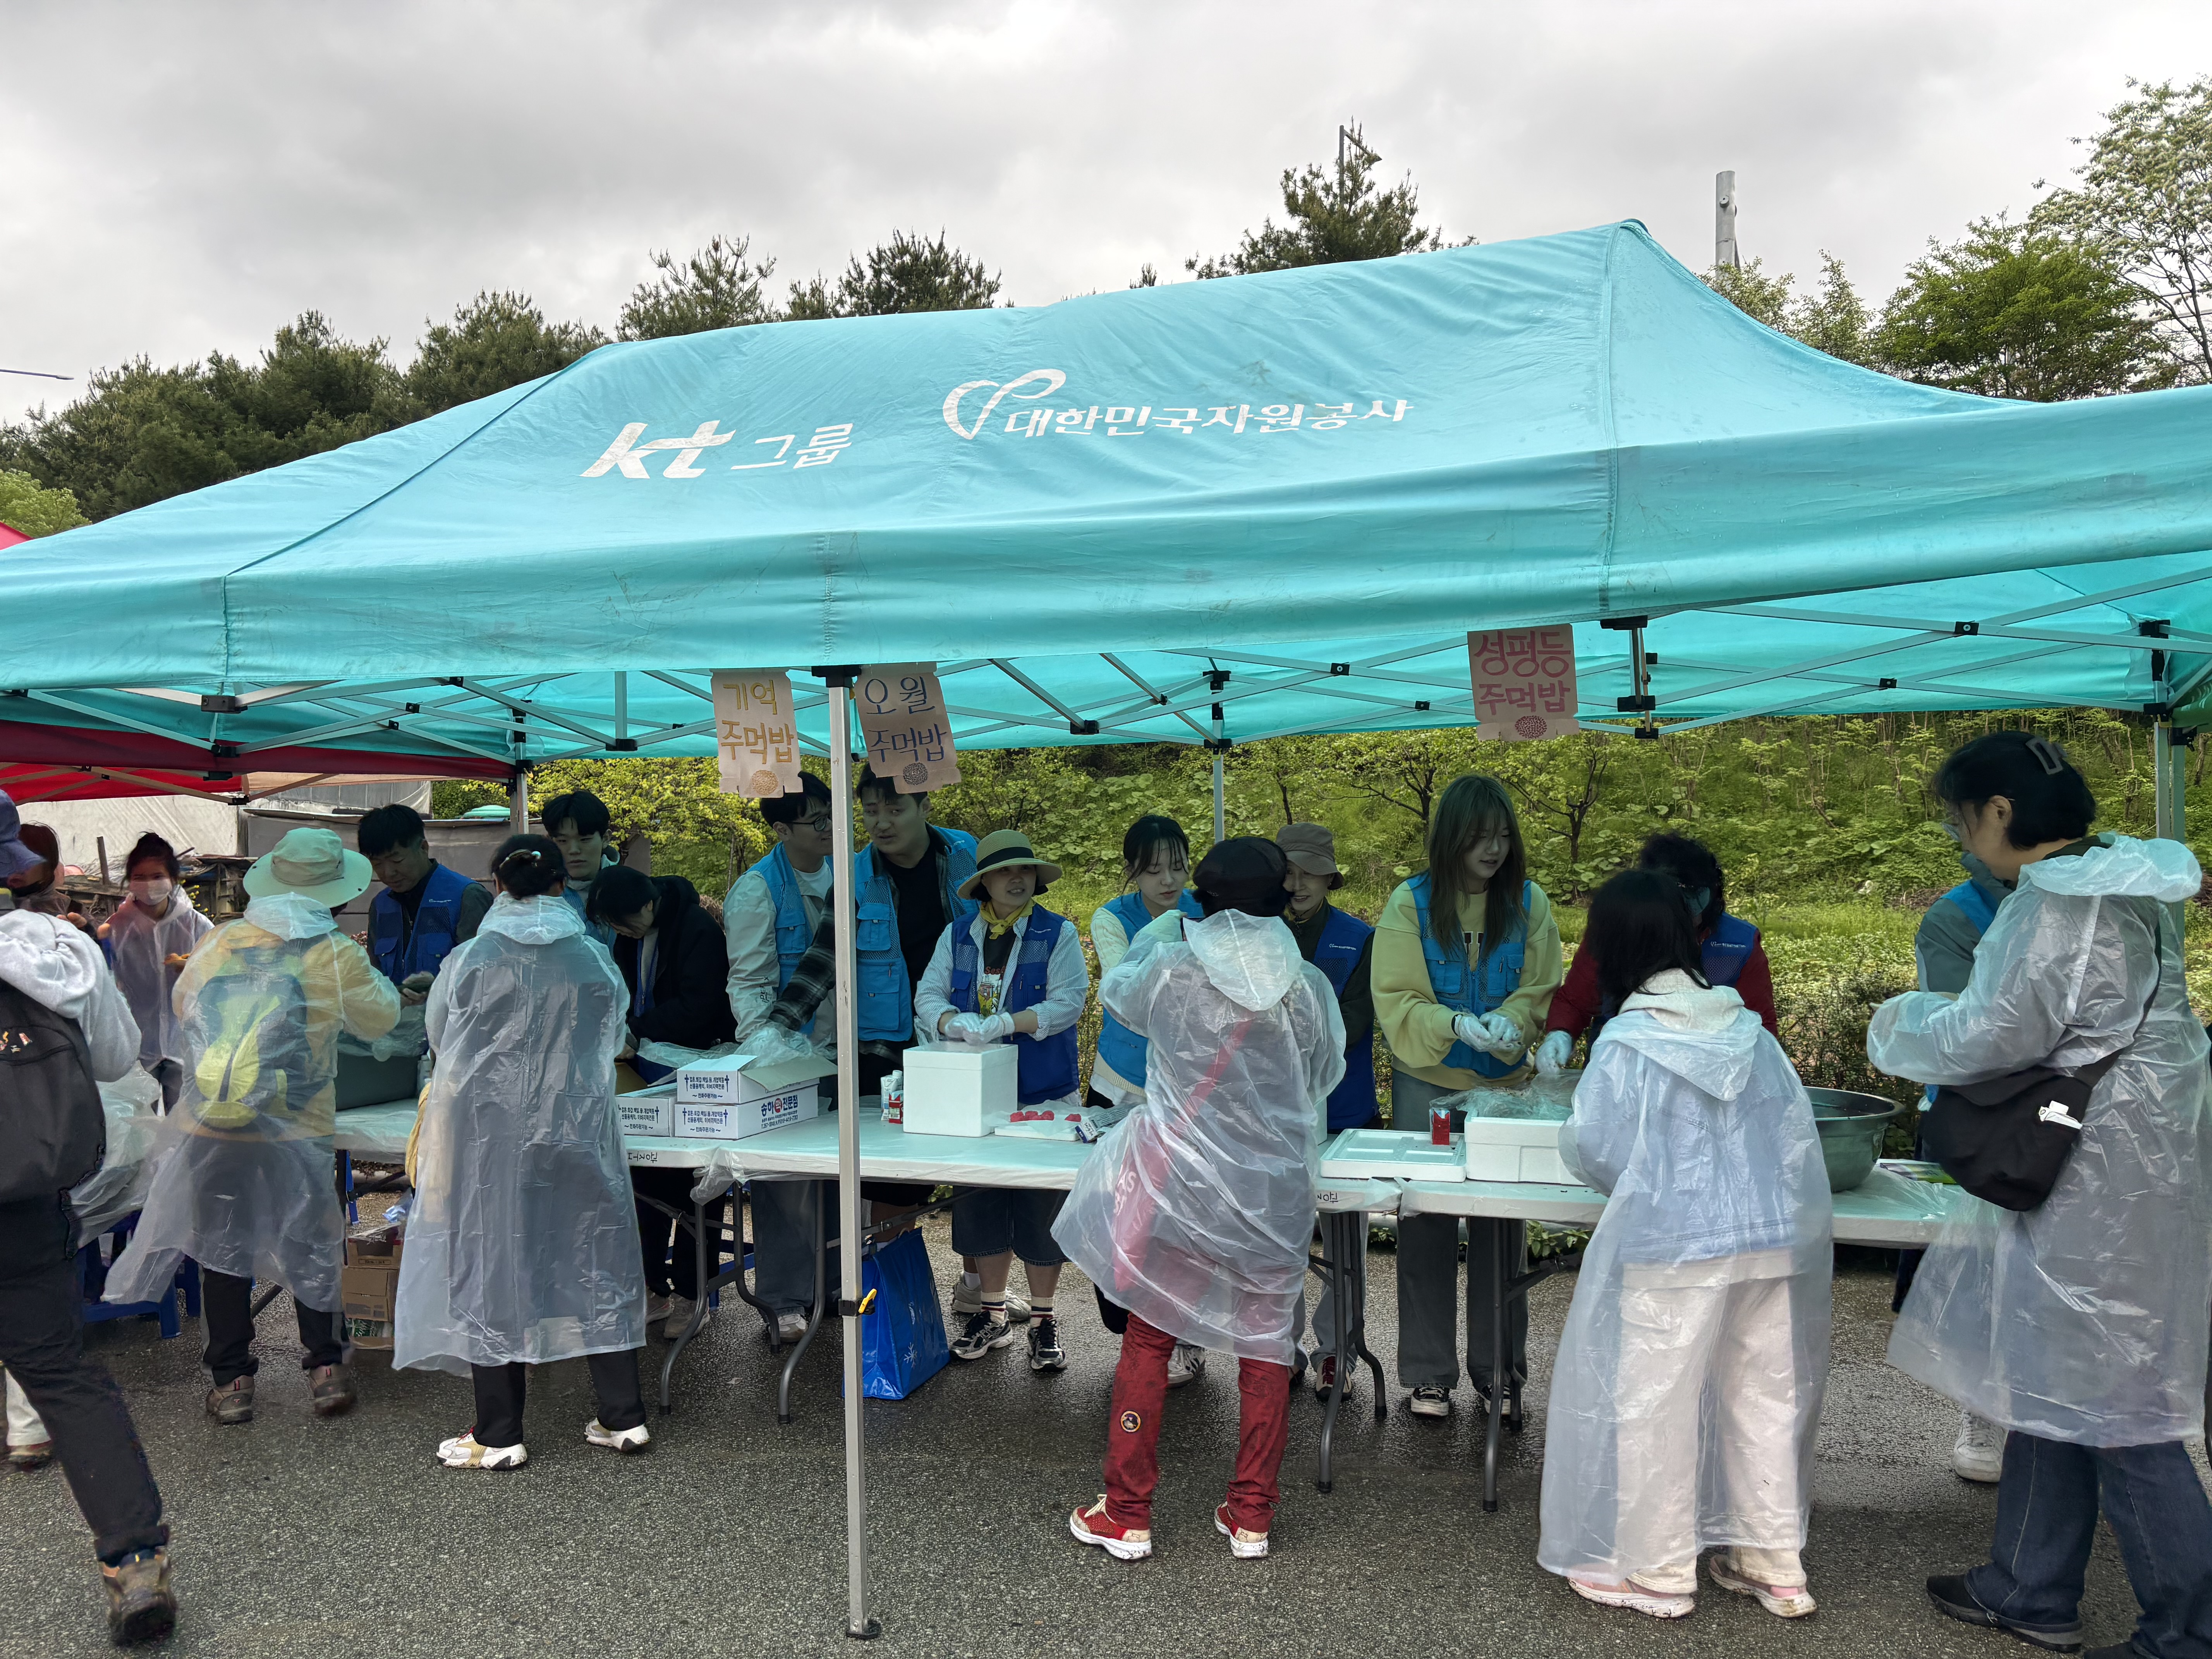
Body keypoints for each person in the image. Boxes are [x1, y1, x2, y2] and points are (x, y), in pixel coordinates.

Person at [1867, 731, 2212, 1659]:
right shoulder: (2123, 880)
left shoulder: (2055, 905)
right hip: (2128, 1162)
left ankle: (2189, 1628)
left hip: (2099, 1175)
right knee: (2055, 1371)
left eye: (1960, 821)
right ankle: (2029, 1583)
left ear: (2000, 812)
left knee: (2121, 1402)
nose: (1962, 839)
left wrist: (1897, 1021)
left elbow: (1988, 1037)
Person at [1539, 869, 1832, 1621]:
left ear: (1612, 946)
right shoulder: (1747, 1031)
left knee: (1657, 1406)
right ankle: (1775, 1564)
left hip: (1673, 1248)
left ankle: (1661, 1570)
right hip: (1767, 1243)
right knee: (1762, 1398)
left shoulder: (1630, 1041)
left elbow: (1597, 1146)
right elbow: (1791, 1139)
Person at [1058, 838, 1345, 1562]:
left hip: (1182, 1189)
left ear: (1203, 902)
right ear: (1280, 901)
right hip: (1273, 1196)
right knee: (1266, 1347)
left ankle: (1127, 1511)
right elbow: (1324, 1073)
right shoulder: (1306, 985)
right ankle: (1251, 1514)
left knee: (1150, 1337)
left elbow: (1118, 996)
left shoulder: (1171, 969)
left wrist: (1163, 928)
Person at [105, 827, 402, 1426]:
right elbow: (382, 1019)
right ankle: (326, 1369)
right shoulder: (335, 952)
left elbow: (185, 1009)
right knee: (310, 1240)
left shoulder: (222, 940)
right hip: (296, 1126)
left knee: (224, 1247)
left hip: (217, 1123)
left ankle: (232, 1381)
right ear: (334, 891)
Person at [396, 836, 650, 1468]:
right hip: (577, 1130)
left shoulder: (471, 959)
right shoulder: (592, 958)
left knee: (494, 1269)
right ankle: (624, 1417)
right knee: (596, 1260)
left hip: (492, 1140)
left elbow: (441, 1038)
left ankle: (499, 1431)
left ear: (497, 885)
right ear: (563, 884)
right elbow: (613, 1036)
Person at [0, 792, 176, 1642]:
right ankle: (135, 1562)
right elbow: (114, 1057)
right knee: (62, 1376)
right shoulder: (59, 948)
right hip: (23, 1193)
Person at [760, 768, 992, 1309]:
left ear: (924, 807)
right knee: (893, 1178)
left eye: (894, 809)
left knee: (977, 1168)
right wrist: (776, 1030)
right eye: (870, 811)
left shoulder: (965, 856)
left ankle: (980, 1289)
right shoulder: (855, 875)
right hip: (886, 1049)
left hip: (966, 1042)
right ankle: (889, 1297)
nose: (881, 823)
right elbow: (823, 959)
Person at [1371, 773, 1563, 1422]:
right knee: (1424, 1222)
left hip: (1504, 1091)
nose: (1494, 849)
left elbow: (1540, 989)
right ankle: (1428, 1375)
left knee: (1500, 1228)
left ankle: (1500, 1371)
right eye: (1480, 836)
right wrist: (1451, 1023)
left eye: (1503, 835)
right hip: (1428, 1087)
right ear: (1451, 837)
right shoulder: (1410, 902)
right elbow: (1396, 995)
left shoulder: (1529, 902)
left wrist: (1514, 1019)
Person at [914, 830, 1091, 1371]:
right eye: (1005, 871)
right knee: (981, 1200)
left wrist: (1008, 1023)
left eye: (1026, 870)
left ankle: (1044, 1320)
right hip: (974, 1097)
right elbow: (928, 995)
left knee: (1040, 1206)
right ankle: (991, 1314)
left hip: (1044, 1094)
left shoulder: (1057, 932)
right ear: (984, 882)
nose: (1018, 879)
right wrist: (951, 1021)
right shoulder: (958, 935)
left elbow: (1070, 1001)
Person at [1896, 838, 2012, 1482]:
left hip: (2070, 1113)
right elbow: (1958, 1029)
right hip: (1976, 1118)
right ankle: (1983, 1411)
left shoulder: (2091, 906)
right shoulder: (1956, 916)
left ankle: (2054, 1417)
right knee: (1977, 1268)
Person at [1086, 813, 1208, 1385]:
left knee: (1180, 1214)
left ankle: (1182, 1335)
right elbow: (1123, 989)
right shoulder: (1112, 917)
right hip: (1121, 1081)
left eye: (1178, 867)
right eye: (1154, 869)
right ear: (1132, 871)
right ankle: (1133, 1331)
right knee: (1119, 1211)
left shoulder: (1209, 913)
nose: (1169, 880)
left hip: (1186, 1088)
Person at [589, 865, 737, 1337]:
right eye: (613, 925)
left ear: (649, 904)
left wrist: (638, 1032)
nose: (622, 931)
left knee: (697, 1185)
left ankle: (695, 1294)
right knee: (643, 1179)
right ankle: (651, 1287)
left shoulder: (697, 930)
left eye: (625, 921)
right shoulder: (628, 937)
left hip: (699, 1072)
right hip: (644, 1070)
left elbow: (701, 1006)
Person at [723, 773, 837, 1346]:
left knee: (840, 1177)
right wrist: (766, 1050)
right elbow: (749, 982)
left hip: (846, 1052)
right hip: (787, 1058)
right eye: (816, 821)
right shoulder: (757, 889)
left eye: (831, 815)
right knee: (785, 1182)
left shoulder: (850, 872)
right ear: (781, 830)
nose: (828, 828)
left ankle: (836, 1286)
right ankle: (785, 1300)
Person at [1275, 822, 1376, 1401]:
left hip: (1344, 1111)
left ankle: (1337, 1351)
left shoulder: (1359, 938)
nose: (1298, 884)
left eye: (1310, 873)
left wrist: (1298, 1041)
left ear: (1330, 878)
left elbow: (1358, 1017)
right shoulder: (1259, 934)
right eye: (1288, 872)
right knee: (1280, 1238)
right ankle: (1280, 1348)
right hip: (1276, 1116)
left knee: (1345, 1244)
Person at [1534, 832, 1776, 1071]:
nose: (1685, 919)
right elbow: (1576, 1000)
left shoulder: (1740, 945)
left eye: (1693, 902)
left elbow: (1760, 1030)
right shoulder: (1617, 929)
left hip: (1712, 1074)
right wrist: (1560, 1034)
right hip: (1616, 1070)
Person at [99, 833, 213, 1111]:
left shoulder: (196, 926)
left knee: (183, 1125)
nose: (149, 884)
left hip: (185, 1044)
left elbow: (220, 977)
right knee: (140, 1127)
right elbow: (105, 983)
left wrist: (194, 971)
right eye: (140, 877)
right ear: (130, 881)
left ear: (173, 878)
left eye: (157, 876)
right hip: (136, 1047)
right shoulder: (116, 929)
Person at [357, 803, 493, 1005]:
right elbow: (374, 975)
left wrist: (438, 988)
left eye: (397, 861)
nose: (388, 873)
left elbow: (488, 976)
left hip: (452, 1022)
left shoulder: (466, 897)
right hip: (395, 1023)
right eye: (377, 864)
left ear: (423, 848)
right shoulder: (381, 905)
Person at [540, 788, 618, 948]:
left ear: (605, 838)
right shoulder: (542, 897)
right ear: (550, 842)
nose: (574, 850)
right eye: (563, 841)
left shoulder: (630, 888)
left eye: (585, 840)